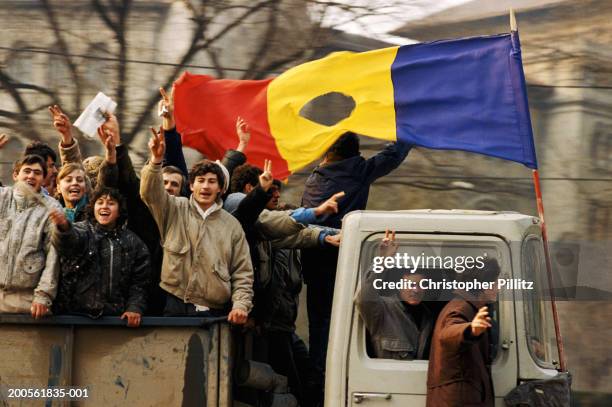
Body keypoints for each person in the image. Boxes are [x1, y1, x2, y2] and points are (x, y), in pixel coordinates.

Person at [300, 132, 412, 394]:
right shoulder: (357, 171)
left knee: (320, 328)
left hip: (314, 264)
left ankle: (319, 386)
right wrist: (409, 130)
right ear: (354, 152)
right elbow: (393, 155)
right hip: (343, 264)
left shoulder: (314, 177)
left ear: (327, 152)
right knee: (354, 324)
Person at [140, 127, 253, 323]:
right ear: (191, 186)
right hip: (174, 304)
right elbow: (150, 193)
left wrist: (241, 305)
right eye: (200, 181)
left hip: (213, 312)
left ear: (220, 188)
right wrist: (156, 161)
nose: (206, 186)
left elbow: (243, 271)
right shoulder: (174, 208)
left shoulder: (232, 225)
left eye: (212, 182)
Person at [49, 187, 150, 326]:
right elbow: (67, 242)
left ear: (119, 210)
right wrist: (63, 228)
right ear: (93, 207)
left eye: (111, 203)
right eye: (100, 202)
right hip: (73, 316)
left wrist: (135, 307)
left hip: (115, 319)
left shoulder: (134, 242)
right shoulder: (81, 230)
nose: (104, 206)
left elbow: (140, 283)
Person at [426, 259, 500, 407]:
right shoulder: (460, 308)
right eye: (496, 283)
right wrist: (470, 330)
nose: (498, 288)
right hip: (458, 399)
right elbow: (448, 333)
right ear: (483, 285)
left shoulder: (468, 306)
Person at [356, 230, 434, 360]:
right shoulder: (384, 309)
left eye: (422, 285)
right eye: (412, 284)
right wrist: (383, 261)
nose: (416, 290)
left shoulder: (428, 316)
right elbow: (364, 298)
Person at [0, 154, 61, 317]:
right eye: (26, 171)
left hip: (28, 302)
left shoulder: (51, 207)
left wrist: (43, 296)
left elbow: (53, 256)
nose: (31, 176)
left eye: (37, 173)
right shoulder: (2, 198)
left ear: (44, 179)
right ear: (15, 175)